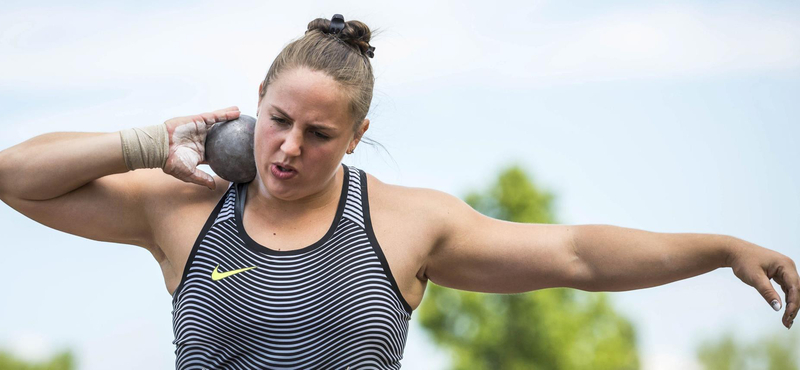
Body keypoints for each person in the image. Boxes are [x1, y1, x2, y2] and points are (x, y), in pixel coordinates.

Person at [0, 13, 797, 370]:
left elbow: (576, 254)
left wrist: (722, 248)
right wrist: (149, 144)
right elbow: (14, 177)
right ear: (255, 105)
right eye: (278, 121)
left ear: (356, 135)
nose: (288, 149)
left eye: (319, 135)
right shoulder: (180, 208)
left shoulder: (406, 223)